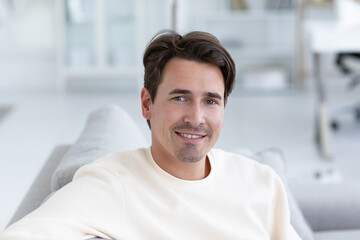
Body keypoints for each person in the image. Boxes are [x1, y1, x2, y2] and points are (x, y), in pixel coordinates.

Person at [0, 31, 301, 239]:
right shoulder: (113, 184)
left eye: (211, 101)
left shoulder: (262, 182)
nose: (196, 118)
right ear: (147, 104)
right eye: (180, 98)